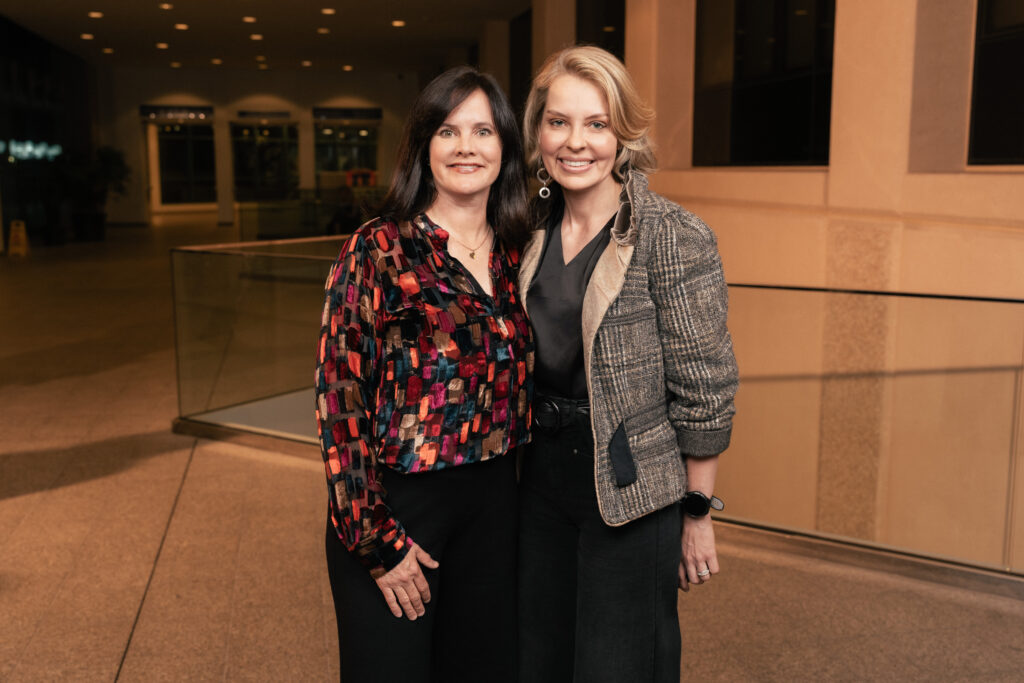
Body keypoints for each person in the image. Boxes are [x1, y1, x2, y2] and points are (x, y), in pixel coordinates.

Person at [517, 46, 739, 682]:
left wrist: (696, 516)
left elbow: (706, 387)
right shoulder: (525, 226)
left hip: (629, 484)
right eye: (558, 122)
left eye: (597, 123)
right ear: (539, 131)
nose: (575, 142)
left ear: (624, 132)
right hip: (536, 478)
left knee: (620, 663)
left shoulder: (670, 234)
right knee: (541, 657)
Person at [314, 66, 533, 682]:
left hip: (495, 508)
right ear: (423, 147)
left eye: (483, 130)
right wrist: (376, 541)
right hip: (397, 507)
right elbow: (338, 399)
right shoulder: (376, 249)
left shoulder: (521, 250)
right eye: (447, 131)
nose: (466, 146)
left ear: (505, 147)